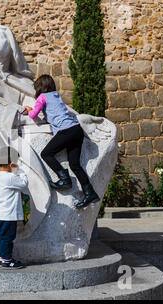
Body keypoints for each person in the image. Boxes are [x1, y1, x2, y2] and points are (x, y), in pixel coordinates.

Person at [24, 74, 100, 209]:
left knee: (46, 154)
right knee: (75, 164)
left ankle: (65, 179)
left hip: (66, 131)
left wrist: (29, 110)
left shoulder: (42, 97)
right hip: (77, 130)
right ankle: (90, 193)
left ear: (40, 87)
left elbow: (34, 115)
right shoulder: (56, 95)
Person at [0, 147, 28, 269]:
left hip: (2, 214)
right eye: (15, 163)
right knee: (7, 237)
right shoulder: (10, 177)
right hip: (8, 215)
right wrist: (18, 170)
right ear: (10, 164)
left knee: (4, 237)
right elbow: (24, 183)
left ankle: (4, 256)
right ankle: (7, 260)